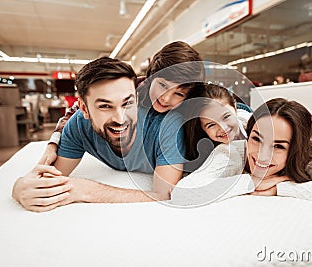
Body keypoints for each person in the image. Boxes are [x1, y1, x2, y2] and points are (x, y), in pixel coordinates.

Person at [12, 57, 186, 212]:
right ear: (84, 109)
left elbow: (165, 194)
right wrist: (20, 187)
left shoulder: (168, 124)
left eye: (127, 103)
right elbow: (48, 179)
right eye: (105, 106)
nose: (120, 119)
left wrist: (89, 191)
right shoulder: (78, 125)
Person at [172, 98, 312, 206]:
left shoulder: (306, 157)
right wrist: (252, 182)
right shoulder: (233, 152)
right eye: (257, 139)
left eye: (278, 146)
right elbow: (182, 194)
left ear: (294, 150)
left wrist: (280, 188)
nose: (262, 155)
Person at [39, 41, 204, 166]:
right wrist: (55, 141)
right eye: (162, 85)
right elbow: (78, 110)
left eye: (179, 93)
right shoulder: (133, 89)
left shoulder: (188, 108)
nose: (166, 98)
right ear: (150, 78)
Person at [182, 83, 252, 171]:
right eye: (211, 125)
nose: (223, 128)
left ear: (235, 107)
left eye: (226, 117)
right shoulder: (203, 151)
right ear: (202, 128)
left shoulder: (255, 125)